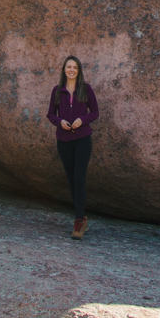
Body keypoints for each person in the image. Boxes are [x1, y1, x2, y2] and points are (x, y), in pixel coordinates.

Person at [47, 55, 99, 239]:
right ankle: (82, 216)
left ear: (79, 71)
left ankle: (78, 221)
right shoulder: (57, 91)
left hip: (83, 139)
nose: (71, 70)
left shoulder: (86, 90)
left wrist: (81, 120)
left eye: (75, 67)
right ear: (64, 70)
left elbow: (95, 112)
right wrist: (60, 122)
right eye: (69, 67)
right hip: (64, 141)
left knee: (79, 178)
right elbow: (50, 114)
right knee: (71, 179)